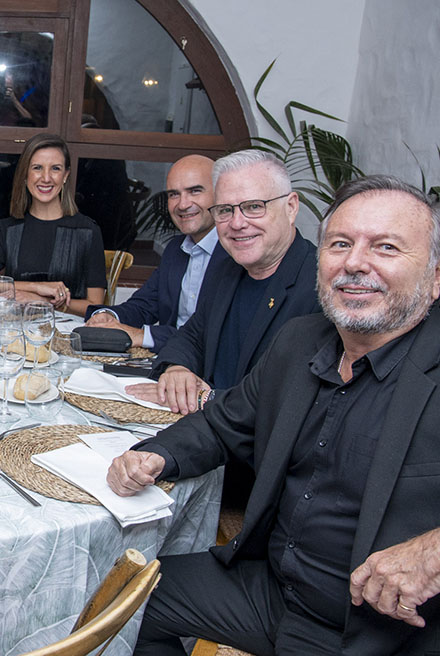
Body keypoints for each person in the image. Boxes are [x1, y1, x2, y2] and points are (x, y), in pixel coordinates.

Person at [108, 175, 440, 655]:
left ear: (434, 279)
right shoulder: (300, 341)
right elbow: (222, 423)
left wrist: (433, 552)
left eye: (386, 247)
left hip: (385, 632)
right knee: (126, 598)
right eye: (340, 244)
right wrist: (155, 456)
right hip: (272, 591)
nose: (354, 263)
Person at [127, 149, 320, 415]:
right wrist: (177, 368)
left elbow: (293, 400)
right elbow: (193, 335)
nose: (237, 223)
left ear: (291, 207)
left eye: (254, 206)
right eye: (225, 210)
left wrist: (208, 399)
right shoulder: (228, 268)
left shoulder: (322, 287)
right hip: (203, 430)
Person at [85, 154, 231, 352]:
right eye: (174, 194)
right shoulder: (175, 249)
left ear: (220, 194)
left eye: (195, 191)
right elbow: (145, 304)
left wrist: (140, 335)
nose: (183, 204)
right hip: (169, 360)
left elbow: (215, 336)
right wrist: (108, 316)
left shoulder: (236, 253)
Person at [0, 133, 106, 314]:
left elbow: (96, 307)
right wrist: (36, 287)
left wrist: (42, 301)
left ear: (65, 175)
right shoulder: (9, 229)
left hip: (67, 337)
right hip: (15, 331)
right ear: (25, 175)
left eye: (55, 168)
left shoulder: (88, 231)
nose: (46, 178)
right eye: (37, 168)